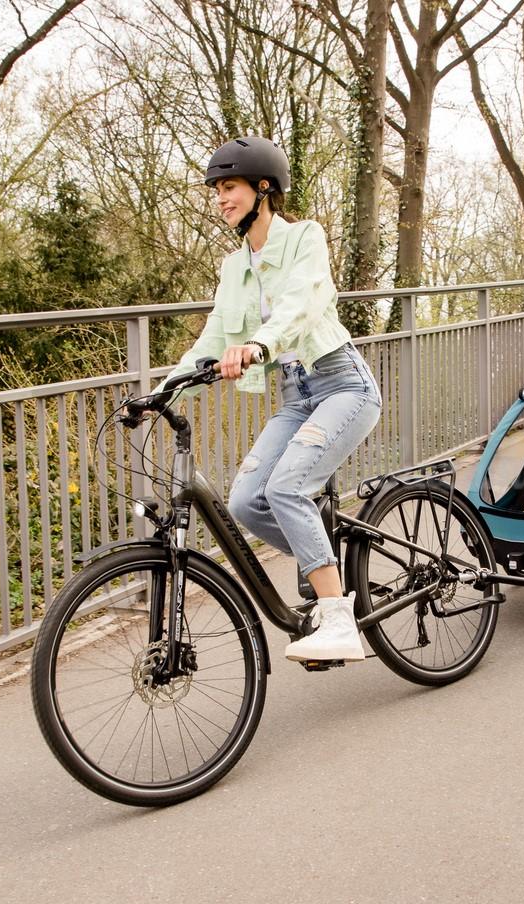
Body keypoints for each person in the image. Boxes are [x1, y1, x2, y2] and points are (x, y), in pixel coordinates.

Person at [153, 136, 382, 663]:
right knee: (246, 502)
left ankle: (338, 620)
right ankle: (326, 566)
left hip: (342, 385)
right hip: (296, 395)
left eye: (229, 187)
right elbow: (213, 338)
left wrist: (259, 344)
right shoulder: (234, 267)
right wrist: (162, 389)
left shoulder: (305, 238)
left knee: (286, 487)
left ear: (263, 188)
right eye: (216, 190)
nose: (220, 198)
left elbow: (301, 304)